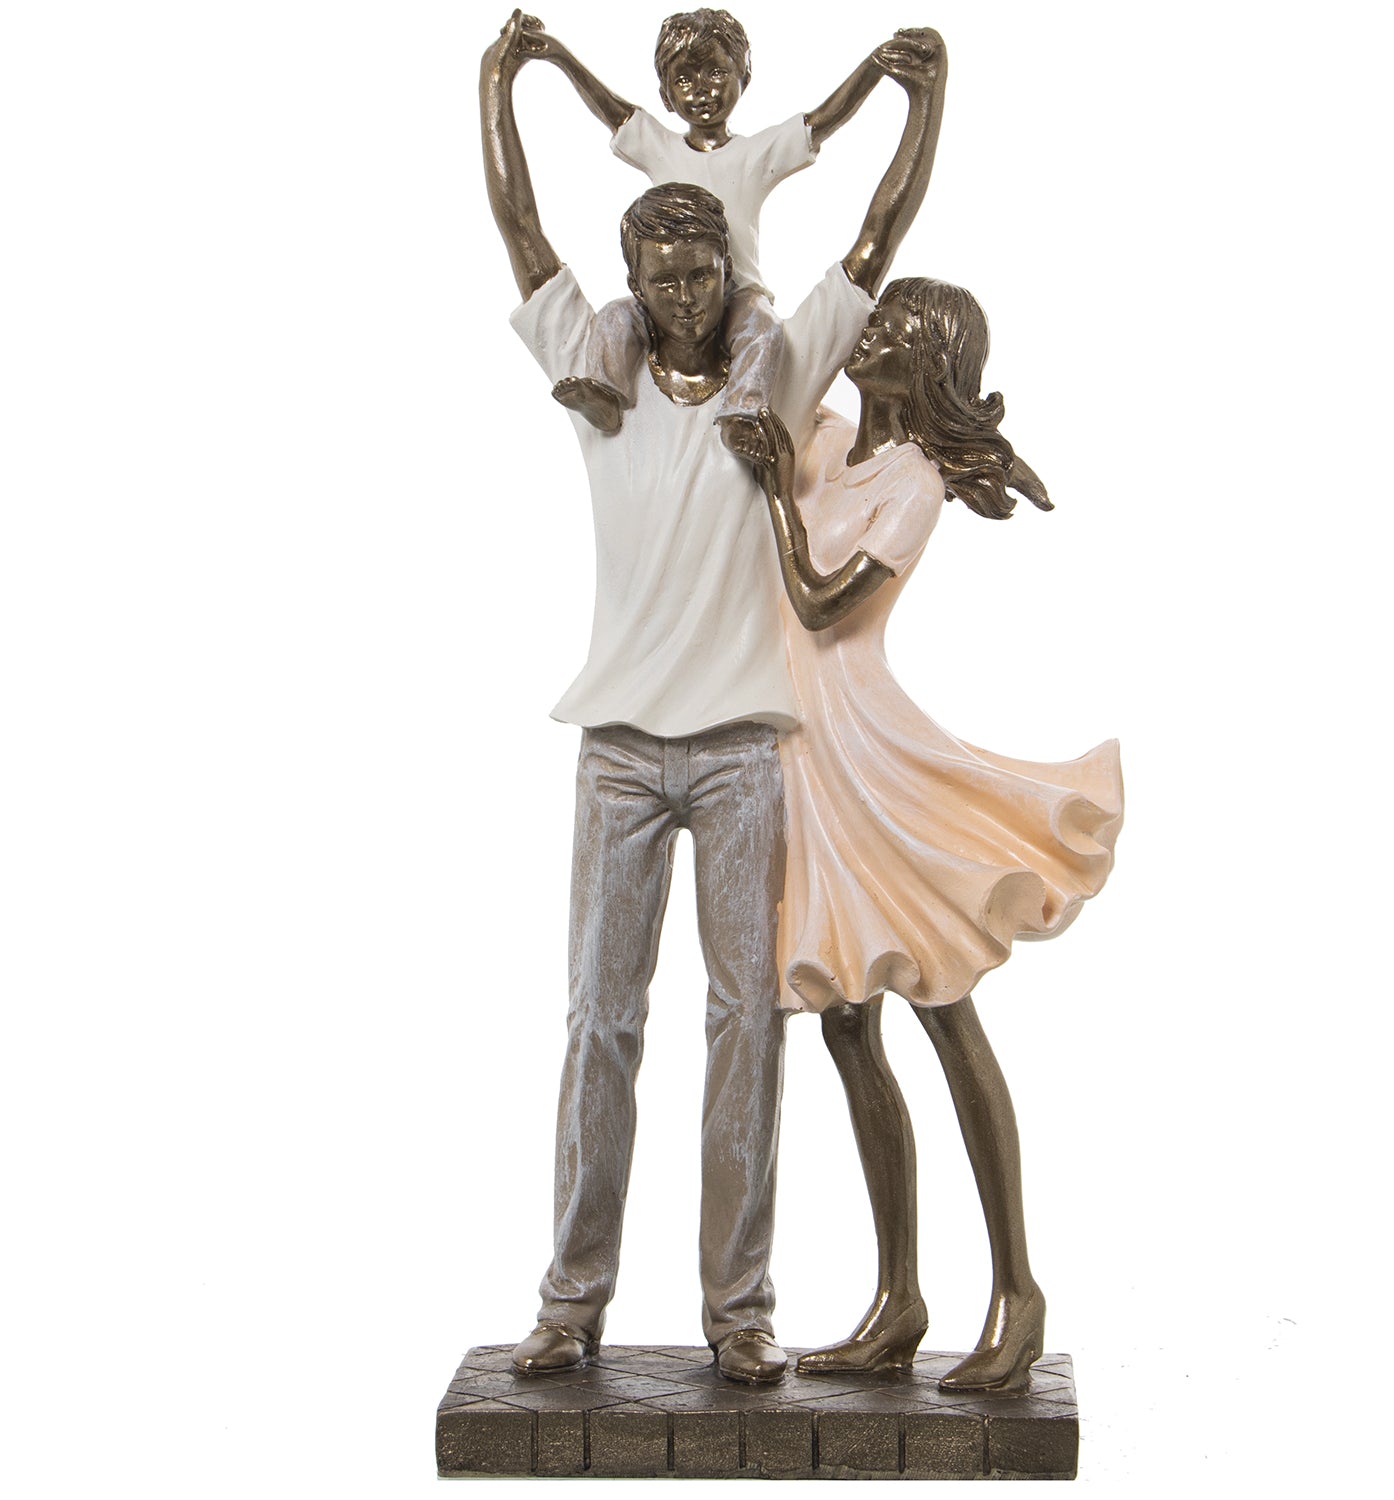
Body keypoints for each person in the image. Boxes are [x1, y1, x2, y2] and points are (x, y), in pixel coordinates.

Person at [477, 11, 947, 1384]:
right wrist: (500, 79)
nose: (684, 292)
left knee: (747, 1024)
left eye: (702, 270)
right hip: (620, 749)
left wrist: (924, 107)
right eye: (661, 273)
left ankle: (739, 1310)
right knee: (599, 1022)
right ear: (632, 278)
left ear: (729, 266)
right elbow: (517, 226)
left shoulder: (780, 372)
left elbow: (877, 238)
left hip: (744, 748)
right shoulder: (597, 376)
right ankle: (572, 1300)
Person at [747, 278, 1124, 1391]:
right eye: (876, 321)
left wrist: (774, 498)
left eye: (896, 331)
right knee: (846, 1026)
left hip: (867, 758)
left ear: (928, 366)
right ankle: (898, 1300)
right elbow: (775, 357)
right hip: (797, 760)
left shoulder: (912, 484)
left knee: (944, 1011)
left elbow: (822, 606)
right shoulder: (826, 444)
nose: (870, 335)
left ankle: (1017, 1291)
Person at [509, 8, 900, 455]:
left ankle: (742, 414)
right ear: (665, 94)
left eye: (716, 72)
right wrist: (559, 56)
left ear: (743, 77)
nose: (702, 91)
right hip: (665, 299)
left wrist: (873, 69)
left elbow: (821, 121)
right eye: (684, 79)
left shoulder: (755, 154)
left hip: (737, 293)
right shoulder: (660, 147)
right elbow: (610, 109)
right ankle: (605, 393)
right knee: (616, 317)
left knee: (764, 331)